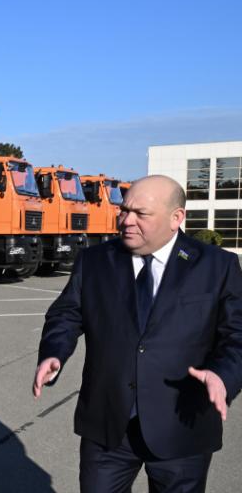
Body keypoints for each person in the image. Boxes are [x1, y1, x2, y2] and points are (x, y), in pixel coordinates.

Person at [33, 175, 242, 492]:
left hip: (181, 425)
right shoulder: (95, 260)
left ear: (176, 218)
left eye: (141, 214)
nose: (126, 221)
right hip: (108, 425)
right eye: (124, 210)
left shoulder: (217, 266)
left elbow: (237, 334)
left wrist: (223, 375)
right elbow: (67, 312)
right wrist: (54, 351)